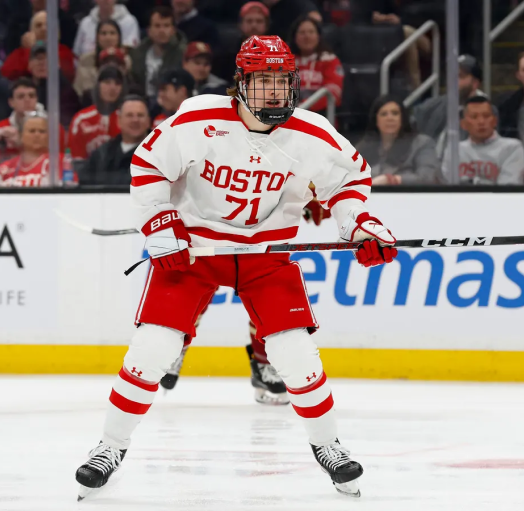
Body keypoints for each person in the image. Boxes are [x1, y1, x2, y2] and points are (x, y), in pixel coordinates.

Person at [75, 35, 398, 500]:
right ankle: (109, 447)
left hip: (264, 257)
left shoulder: (312, 133)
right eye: (263, 81)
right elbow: (148, 165)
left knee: (296, 358)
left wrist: (361, 224)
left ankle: (328, 445)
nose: (274, 93)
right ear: (240, 84)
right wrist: (161, 225)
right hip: (194, 254)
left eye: (282, 82)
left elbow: (349, 183)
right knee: (151, 351)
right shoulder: (197, 116)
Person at [413, 54, 488, 160]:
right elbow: (408, 126)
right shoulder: (433, 105)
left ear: (475, 83)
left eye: (460, 76)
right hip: (427, 169)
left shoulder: (486, 112)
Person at [357, 95, 442, 185]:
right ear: (376, 121)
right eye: (384, 114)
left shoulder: (422, 144)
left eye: (395, 113)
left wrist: (393, 180)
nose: (390, 118)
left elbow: (428, 177)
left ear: (402, 118)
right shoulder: (363, 148)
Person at [445, 96, 524, 185]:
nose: (481, 122)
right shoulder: (454, 150)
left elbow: (508, 189)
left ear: (495, 121)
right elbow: (445, 186)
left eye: (486, 116)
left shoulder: (512, 148)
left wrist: (472, 182)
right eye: (474, 117)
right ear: (463, 124)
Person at [78, 95, 150, 186]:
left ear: (148, 122)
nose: (135, 120)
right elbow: (84, 183)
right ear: (119, 121)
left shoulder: (160, 154)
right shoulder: (102, 154)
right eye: (129, 115)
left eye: (140, 115)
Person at [69, 65, 125, 175]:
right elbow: (76, 162)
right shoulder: (81, 120)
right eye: (107, 82)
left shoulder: (129, 118)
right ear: (97, 86)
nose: (112, 87)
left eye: (117, 83)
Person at [130, 7, 187, 107]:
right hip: (141, 103)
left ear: (173, 30)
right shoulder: (138, 53)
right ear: (149, 30)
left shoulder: (182, 53)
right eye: (157, 26)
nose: (162, 30)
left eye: (166, 26)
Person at [0, 77, 65, 162]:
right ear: (11, 102)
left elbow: (60, 159)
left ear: (37, 99)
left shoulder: (52, 127)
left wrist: (21, 144)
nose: (27, 100)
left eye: (31, 96)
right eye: (21, 97)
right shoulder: (2, 127)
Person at [289, 15, 343, 115]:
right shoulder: (284, 61)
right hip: (289, 116)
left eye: (311, 32)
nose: (307, 36)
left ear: (318, 36)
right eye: (302, 32)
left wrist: (303, 108)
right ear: (294, 37)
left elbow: (333, 93)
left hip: (322, 117)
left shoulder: (330, 60)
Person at [1, 10, 76, 82]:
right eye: (38, 25)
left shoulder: (64, 51)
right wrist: (31, 49)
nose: (44, 29)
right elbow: (6, 74)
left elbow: (65, 74)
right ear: (31, 31)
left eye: (48, 25)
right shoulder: (21, 52)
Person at [212, 1, 271, 83]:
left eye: (259, 21)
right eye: (249, 21)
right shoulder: (227, 53)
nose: (254, 25)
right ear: (240, 25)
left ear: (266, 26)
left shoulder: (277, 53)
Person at [73, 20, 133, 98]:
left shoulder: (126, 60)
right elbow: (80, 90)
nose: (108, 38)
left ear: (119, 37)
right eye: (103, 33)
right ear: (97, 37)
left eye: (112, 33)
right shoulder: (86, 60)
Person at [27, 42, 81, 128]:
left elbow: (65, 124)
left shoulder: (66, 91)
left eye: (47, 58)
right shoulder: (23, 89)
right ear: (29, 65)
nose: (42, 63)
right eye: (38, 58)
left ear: (58, 64)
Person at [0, 112, 62, 187]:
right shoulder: (5, 168)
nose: (37, 135)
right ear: (21, 135)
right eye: (32, 131)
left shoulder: (59, 162)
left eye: (42, 131)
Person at [73, 0, 140, 57]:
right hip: (89, 67)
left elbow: (130, 50)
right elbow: (77, 53)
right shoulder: (85, 23)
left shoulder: (129, 21)